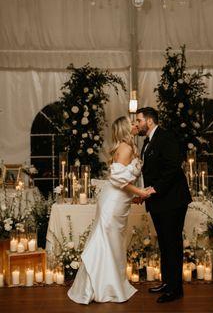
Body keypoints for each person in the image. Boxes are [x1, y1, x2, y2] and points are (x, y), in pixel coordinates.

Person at [67, 116, 154, 304]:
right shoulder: (126, 147)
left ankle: (111, 284)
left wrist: (134, 197)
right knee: (107, 241)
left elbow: (124, 181)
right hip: (113, 202)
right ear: (124, 128)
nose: (135, 125)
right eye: (131, 123)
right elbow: (118, 179)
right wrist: (140, 191)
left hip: (119, 200)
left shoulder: (128, 147)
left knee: (113, 243)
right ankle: (103, 287)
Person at [135, 107, 192, 303]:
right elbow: (150, 171)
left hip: (172, 200)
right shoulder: (148, 141)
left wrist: (154, 189)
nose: (137, 124)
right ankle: (168, 282)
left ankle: (175, 290)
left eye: (139, 120)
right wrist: (144, 193)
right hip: (160, 201)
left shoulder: (165, 137)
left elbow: (173, 167)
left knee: (172, 243)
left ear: (149, 121)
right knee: (165, 244)